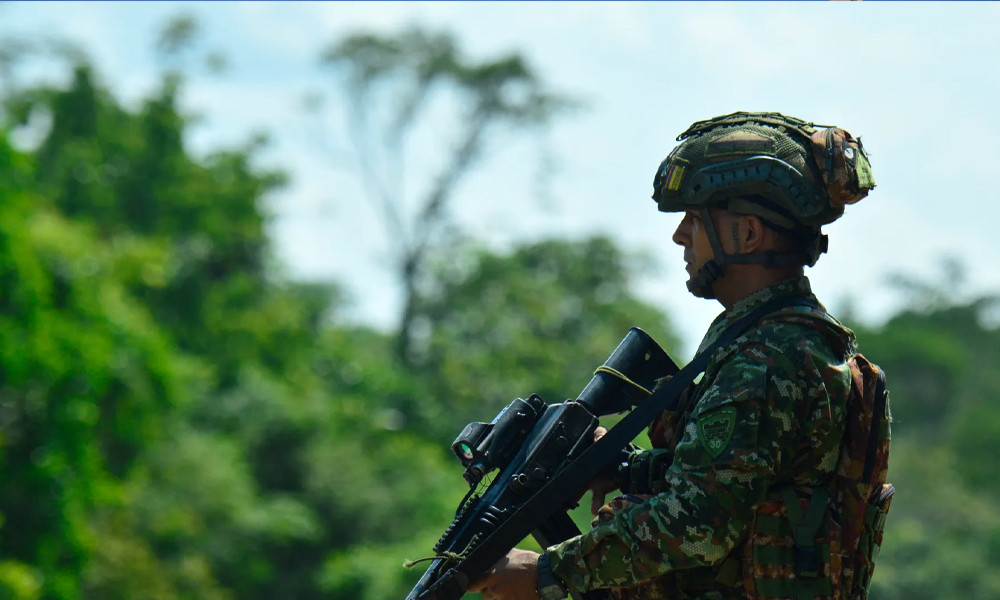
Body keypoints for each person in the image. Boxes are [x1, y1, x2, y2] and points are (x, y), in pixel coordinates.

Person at [468, 111, 882, 600]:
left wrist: (546, 572)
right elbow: (742, 483)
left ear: (747, 235)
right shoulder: (777, 340)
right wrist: (621, 468)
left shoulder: (769, 358)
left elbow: (698, 523)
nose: (680, 235)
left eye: (695, 218)